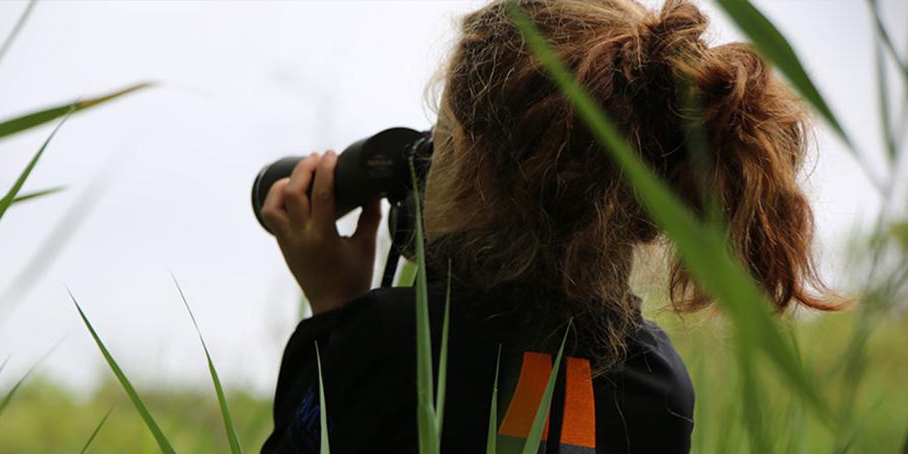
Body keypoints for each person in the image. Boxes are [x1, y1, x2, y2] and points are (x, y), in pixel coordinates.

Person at [259, 0, 836, 452]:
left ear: (470, 163)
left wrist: (335, 313)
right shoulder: (657, 387)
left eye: (443, 135)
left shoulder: (386, 345)